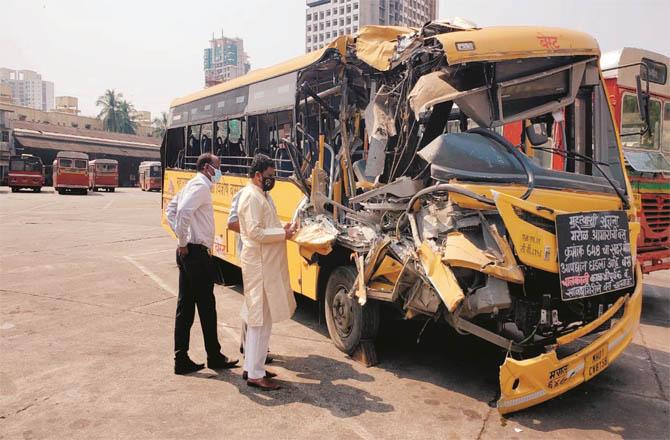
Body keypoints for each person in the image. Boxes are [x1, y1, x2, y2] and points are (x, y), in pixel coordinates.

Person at [166, 153, 239, 375]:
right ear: (208, 168)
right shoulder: (200, 187)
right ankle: (214, 356)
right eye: (218, 167)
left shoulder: (191, 184)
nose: (220, 171)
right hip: (196, 254)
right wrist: (183, 242)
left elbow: (171, 209)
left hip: (190, 251)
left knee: (185, 307)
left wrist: (182, 239)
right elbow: (184, 212)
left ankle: (181, 358)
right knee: (207, 307)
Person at [237, 154, 297, 390]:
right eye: (270, 176)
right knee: (258, 321)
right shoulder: (251, 196)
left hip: (267, 266)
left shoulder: (262, 195)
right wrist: (283, 234)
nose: (273, 179)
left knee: (263, 320)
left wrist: (283, 228)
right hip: (259, 267)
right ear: (258, 175)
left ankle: (254, 367)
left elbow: (266, 226)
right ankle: (254, 373)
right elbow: (255, 233)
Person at [227, 189, 273, 366]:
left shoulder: (264, 196)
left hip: (262, 256)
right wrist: (255, 230)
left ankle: (254, 350)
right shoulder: (245, 195)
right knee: (253, 304)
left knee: (256, 304)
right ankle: (250, 350)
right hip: (251, 257)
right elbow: (231, 223)